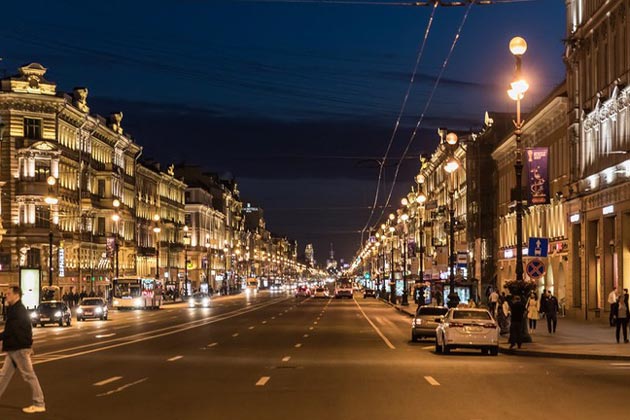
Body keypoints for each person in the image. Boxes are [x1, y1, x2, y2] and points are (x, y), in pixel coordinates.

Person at [0, 286, 46, 414]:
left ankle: (39, 403)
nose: (6, 296)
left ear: (16, 295)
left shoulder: (18, 311)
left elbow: (11, 330)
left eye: (9, 294)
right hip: (15, 348)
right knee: (3, 376)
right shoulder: (16, 309)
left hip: (19, 348)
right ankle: (39, 402)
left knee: (29, 376)